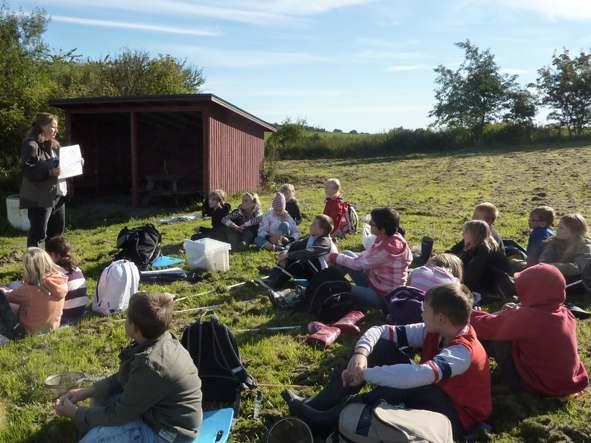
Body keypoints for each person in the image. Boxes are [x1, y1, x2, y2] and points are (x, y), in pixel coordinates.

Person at [283, 284, 491, 441]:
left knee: (402, 386)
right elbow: (381, 330)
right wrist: (361, 354)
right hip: (434, 390)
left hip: (457, 418)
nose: (421, 312)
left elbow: (418, 376)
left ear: (442, 319)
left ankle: (324, 421)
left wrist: (365, 374)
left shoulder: (463, 352)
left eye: (425, 309)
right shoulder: (436, 330)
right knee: (381, 348)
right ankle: (316, 404)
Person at [54, 292, 202, 443]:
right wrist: (85, 392)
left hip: (168, 434)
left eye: (127, 319)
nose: (125, 322)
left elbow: (118, 415)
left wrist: (75, 413)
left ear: (135, 327)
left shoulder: (151, 365)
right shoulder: (156, 338)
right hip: (158, 412)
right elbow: (124, 377)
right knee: (101, 396)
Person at [471, 263, 588, 396]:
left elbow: (485, 327)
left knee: (499, 340)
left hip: (540, 385)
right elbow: (530, 322)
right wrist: (515, 312)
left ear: (535, 291)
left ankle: (508, 382)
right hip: (568, 382)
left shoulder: (528, 318)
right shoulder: (564, 312)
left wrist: (470, 313)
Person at [328, 207, 413, 309]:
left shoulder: (386, 249)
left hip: (382, 297)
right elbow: (366, 256)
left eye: (372, 224)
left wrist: (335, 257)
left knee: (340, 286)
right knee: (347, 254)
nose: (369, 225)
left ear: (382, 229)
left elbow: (358, 265)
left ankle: (324, 284)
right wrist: (341, 257)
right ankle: (325, 279)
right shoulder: (393, 237)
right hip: (375, 283)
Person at [19, 113, 67, 247]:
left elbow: (62, 165)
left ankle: (54, 266)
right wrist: (50, 172)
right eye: (53, 127)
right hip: (39, 199)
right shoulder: (31, 145)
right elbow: (27, 170)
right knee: (38, 235)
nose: (56, 130)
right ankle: (34, 266)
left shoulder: (54, 146)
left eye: (57, 127)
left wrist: (75, 163)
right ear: (42, 126)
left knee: (56, 235)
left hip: (57, 196)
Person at [0, 247, 68, 336]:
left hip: (28, 331)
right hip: (52, 327)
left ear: (28, 268)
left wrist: (3, 289)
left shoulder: (31, 288)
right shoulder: (60, 279)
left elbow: (7, 296)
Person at [264, 215, 337, 289]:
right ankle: (273, 279)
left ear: (321, 230)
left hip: (322, 276)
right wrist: (286, 251)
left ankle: (276, 282)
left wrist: (288, 255)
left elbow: (310, 252)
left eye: (314, 224)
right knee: (290, 256)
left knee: (299, 261)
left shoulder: (325, 242)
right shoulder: (313, 237)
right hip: (311, 269)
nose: (310, 225)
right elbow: (296, 245)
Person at [454, 220, 508, 296]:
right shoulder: (472, 243)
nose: (463, 233)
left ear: (474, 234)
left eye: (465, 231)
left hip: (486, 286)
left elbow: (472, 275)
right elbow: (452, 253)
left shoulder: (485, 250)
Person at [45, 236, 88, 325]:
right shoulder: (77, 269)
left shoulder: (56, 273)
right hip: (81, 313)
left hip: (65, 317)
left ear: (53, 255)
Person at [538, 213, 591, 282]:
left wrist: (553, 267)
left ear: (573, 231)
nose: (557, 230)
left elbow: (580, 268)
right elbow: (543, 261)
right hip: (553, 278)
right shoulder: (554, 241)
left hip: (575, 282)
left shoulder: (585, 246)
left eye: (561, 228)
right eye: (558, 227)